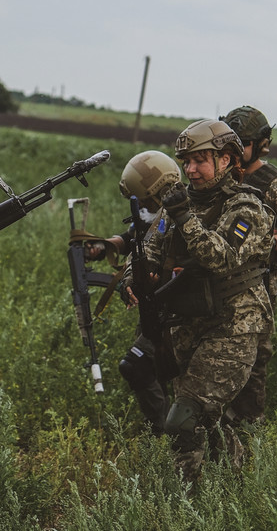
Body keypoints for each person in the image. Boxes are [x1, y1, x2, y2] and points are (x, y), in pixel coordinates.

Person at [120, 119, 273, 482]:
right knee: (204, 420)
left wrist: (184, 216)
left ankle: (181, 501)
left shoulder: (247, 208)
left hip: (233, 326)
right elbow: (150, 246)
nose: (190, 169)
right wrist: (133, 277)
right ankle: (236, 483)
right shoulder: (174, 209)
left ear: (226, 160)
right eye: (185, 161)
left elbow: (219, 257)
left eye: (200, 160)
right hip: (187, 325)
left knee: (183, 419)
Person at [220, 106, 277, 427]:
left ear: (260, 144)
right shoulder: (218, 175)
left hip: (258, 286)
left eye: (241, 143)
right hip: (215, 284)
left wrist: (268, 245)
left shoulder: (272, 181)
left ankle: (249, 427)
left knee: (253, 359)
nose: (233, 151)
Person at [85, 150, 182, 435]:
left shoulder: (182, 214)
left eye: (146, 200)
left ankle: (175, 434)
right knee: (146, 368)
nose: (142, 206)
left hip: (181, 314)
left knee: (154, 370)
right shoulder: (153, 214)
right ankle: (163, 433)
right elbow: (135, 237)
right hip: (155, 311)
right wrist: (106, 246)